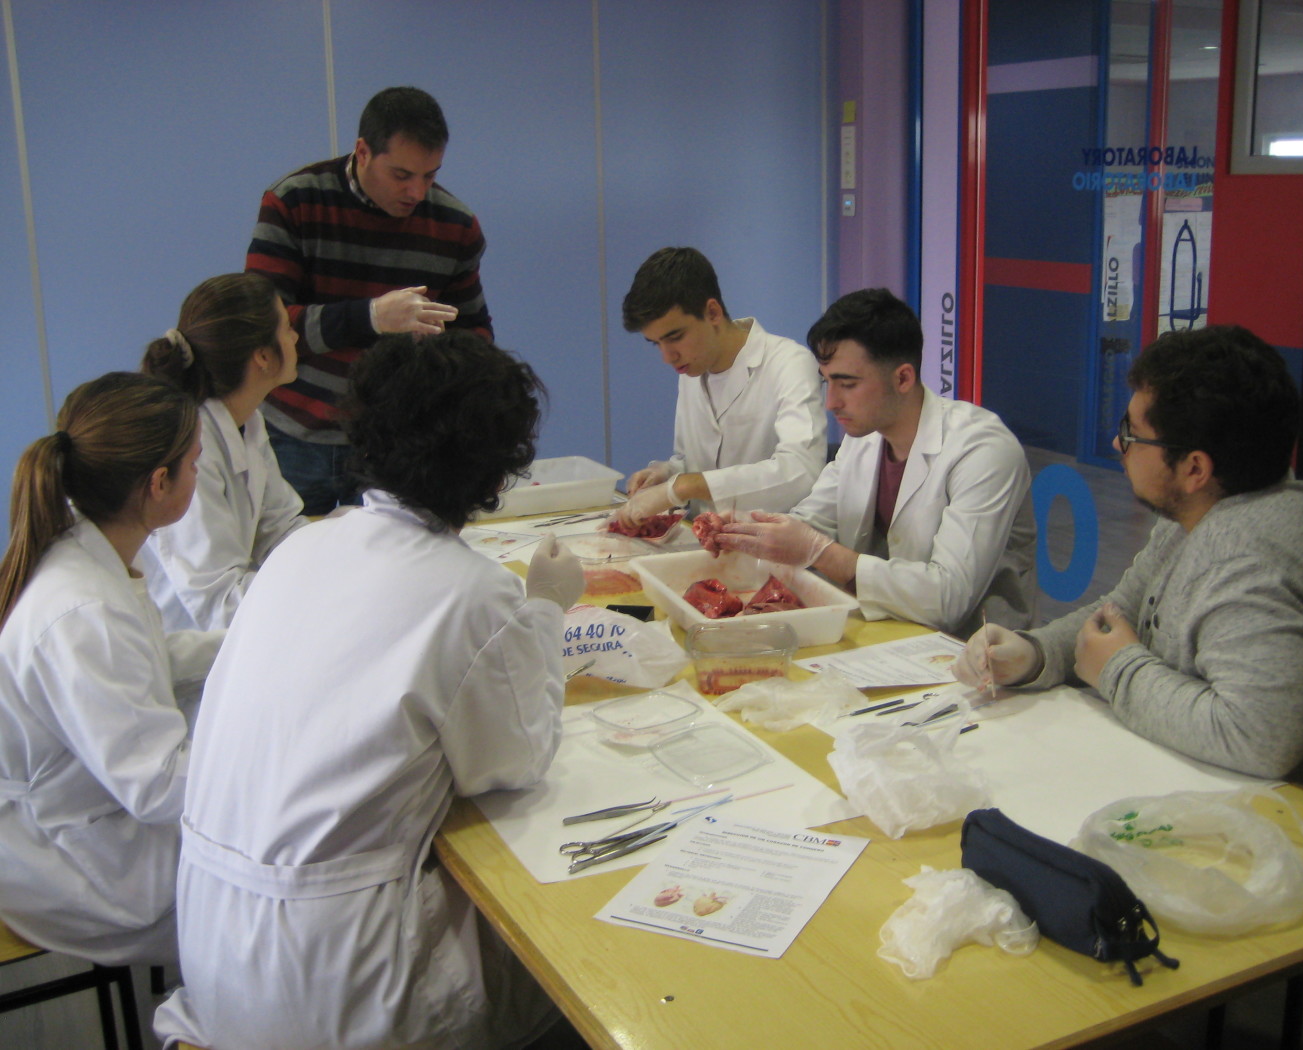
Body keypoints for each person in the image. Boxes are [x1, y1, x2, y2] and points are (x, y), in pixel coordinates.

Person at [156, 330, 585, 1050]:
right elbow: (514, 761)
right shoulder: (470, 593)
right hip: (332, 986)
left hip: (211, 946)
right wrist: (544, 608)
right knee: (564, 961)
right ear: (499, 467)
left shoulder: (305, 547)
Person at [953, 324, 1303, 822]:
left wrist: (1119, 670)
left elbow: (1258, 740)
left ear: (1194, 469)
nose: (1118, 445)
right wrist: (1036, 654)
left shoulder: (1248, 558)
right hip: (1243, 811)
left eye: (1132, 434)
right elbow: (1114, 617)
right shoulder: (1208, 508)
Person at [0, 373, 222, 966]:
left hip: (95, 810)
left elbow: (147, 661)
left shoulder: (87, 551)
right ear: (158, 483)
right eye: (195, 465)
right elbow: (158, 788)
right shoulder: (82, 609)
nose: (199, 477)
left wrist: (244, 646)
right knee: (283, 871)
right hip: (72, 862)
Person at [710, 288, 1036, 638]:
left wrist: (819, 553)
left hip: (974, 654)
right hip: (884, 635)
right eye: (827, 382)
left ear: (903, 379)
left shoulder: (983, 450)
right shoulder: (863, 439)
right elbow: (812, 522)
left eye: (847, 384)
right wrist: (749, 530)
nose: (831, 402)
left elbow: (948, 599)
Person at [247, 85, 491, 514]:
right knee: (290, 565)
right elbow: (261, 329)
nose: (416, 192)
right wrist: (372, 316)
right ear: (362, 152)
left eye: (430, 175)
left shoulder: (455, 225)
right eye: (401, 175)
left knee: (389, 569)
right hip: (295, 435)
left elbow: (474, 335)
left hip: (394, 442)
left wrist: (444, 360)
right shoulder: (295, 202)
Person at [137, 272, 307, 631]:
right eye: (287, 328)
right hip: (185, 651)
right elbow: (219, 605)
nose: (295, 337)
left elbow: (281, 528)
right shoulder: (189, 447)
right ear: (263, 356)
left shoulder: (247, 421)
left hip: (227, 632)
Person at [615, 246, 825, 525]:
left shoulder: (790, 363)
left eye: (675, 337)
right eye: (657, 344)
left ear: (712, 312)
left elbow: (801, 472)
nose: (667, 357)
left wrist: (681, 487)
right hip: (706, 541)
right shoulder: (692, 368)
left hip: (771, 547)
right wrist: (667, 473)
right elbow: (693, 462)